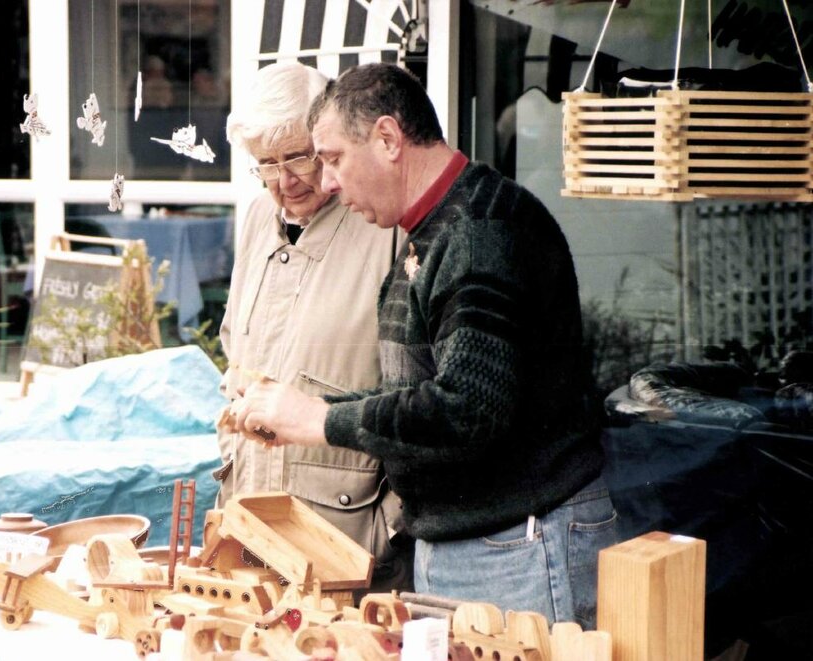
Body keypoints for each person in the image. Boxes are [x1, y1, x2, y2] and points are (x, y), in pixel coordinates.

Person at [228, 62, 617, 629]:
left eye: (331, 158)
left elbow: (468, 407)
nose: (327, 181)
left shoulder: (481, 231)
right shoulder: (436, 229)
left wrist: (319, 419)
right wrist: (303, 413)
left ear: (387, 139)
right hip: (469, 544)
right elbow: (417, 394)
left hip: (518, 545)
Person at [218, 61, 412, 592]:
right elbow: (237, 342)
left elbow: (419, 393)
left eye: (298, 156)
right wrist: (237, 381)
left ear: (327, 137)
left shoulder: (383, 223)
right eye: (265, 164)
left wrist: (387, 531)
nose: (285, 181)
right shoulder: (259, 219)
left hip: (347, 543)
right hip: (250, 533)